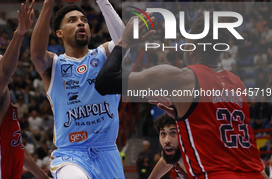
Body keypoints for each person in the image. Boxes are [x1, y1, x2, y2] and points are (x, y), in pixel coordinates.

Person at [95, 16, 268, 178]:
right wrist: (183, 116)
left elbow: (105, 82)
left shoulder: (182, 77)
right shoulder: (237, 83)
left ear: (193, 46)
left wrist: (123, 42)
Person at [30, 0, 125, 179]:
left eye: (84, 20)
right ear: (59, 33)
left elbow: (125, 41)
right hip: (70, 154)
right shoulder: (54, 64)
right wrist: (47, 3)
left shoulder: (103, 54)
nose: (81, 23)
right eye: (72, 21)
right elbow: (36, 53)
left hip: (108, 151)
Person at [0, 0, 49, 179]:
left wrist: (43, 177)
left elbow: (18, 146)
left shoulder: (5, 103)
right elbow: (5, 72)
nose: (4, 64)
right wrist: (19, 34)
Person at [149, 113, 188, 179]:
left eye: (173, 133)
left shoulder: (202, 159)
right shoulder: (170, 156)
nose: (166, 140)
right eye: (163, 133)